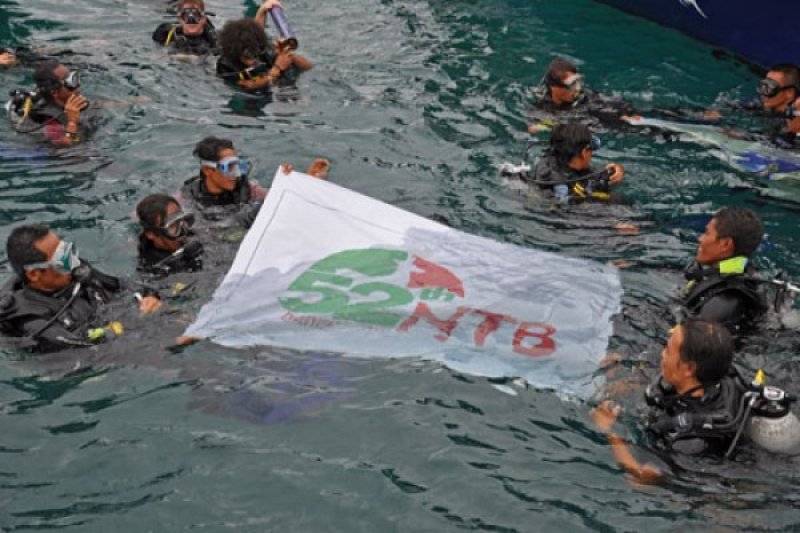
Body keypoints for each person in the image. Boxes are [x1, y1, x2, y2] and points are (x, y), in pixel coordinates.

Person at [592, 318, 745, 484]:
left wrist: (609, 432)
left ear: (689, 369)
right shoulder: (725, 383)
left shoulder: (690, 442)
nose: (662, 354)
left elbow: (642, 477)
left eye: (669, 350)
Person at [0, 225, 162, 352]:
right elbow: (85, 351)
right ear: (34, 274)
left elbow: (124, 285)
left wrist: (149, 297)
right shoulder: (31, 320)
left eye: (67, 252)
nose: (73, 263)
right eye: (61, 261)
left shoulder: (75, 272)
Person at [680, 207, 768, 335]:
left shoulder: (722, 303)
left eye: (707, 233)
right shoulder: (742, 270)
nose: (700, 239)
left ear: (725, 244)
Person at [216, 0, 312, 92]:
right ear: (236, 54)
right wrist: (277, 68)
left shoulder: (260, 50)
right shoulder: (226, 64)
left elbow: (309, 66)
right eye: (247, 55)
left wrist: (285, 54)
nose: (253, 59)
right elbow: (247, 86)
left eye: (255, 53)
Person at [527, 58, 637, 134]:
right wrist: (551, 124)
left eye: (578, 82)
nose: (577, 88)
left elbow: (608, 103)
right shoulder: (542, 107)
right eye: (571, 85)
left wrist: (624, 112)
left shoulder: (584, 96)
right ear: (554, 87)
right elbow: (533, 128)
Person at [522, 122, 624, 204]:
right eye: (591, 148)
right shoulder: (561, 187)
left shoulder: (549, 161)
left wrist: (616, 170)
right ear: (584, 152)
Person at [6, 61, 97, 146]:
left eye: (75, 77)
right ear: (55, 93)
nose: (77, 85)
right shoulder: (52, 125)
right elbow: (66, 147)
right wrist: (72, 123)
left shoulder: (69, 101)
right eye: (70, 82)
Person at [136, 194, 203, 277]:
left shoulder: (193, 234)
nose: (183, 230)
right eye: (172, 226)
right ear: (151, 233)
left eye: (182, 219)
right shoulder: (151, 266)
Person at [152, 0, 218, 56]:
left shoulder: (215, 41)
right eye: (186, 16)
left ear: (204, 19)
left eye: (196, 15)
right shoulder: (167, 35)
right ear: (179, 19)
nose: (191, 20)